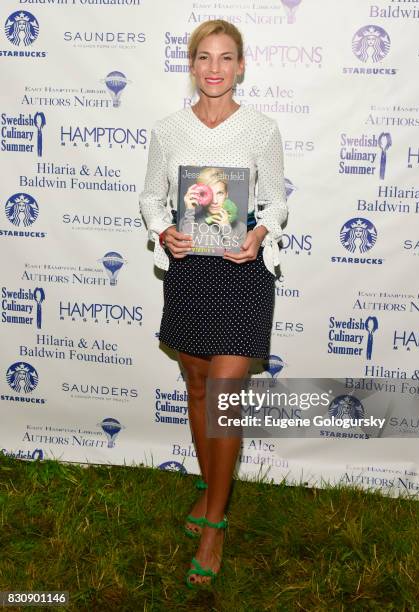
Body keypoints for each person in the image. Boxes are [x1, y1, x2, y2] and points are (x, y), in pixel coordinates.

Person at [139, 19, 287, 588]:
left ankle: (216, 523)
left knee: (224, 397)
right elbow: (153, 196)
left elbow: (274, 202)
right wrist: (163, 232)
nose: (215, 68)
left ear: (241, 66)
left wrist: (259, 234)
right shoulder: (168, 129)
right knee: (198, 387)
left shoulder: (260, 129)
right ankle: (210, 485)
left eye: (227, 58)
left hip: (243, 271)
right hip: (190, 270)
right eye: (205, 57)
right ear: (193, 65)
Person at [181, 167, 247, 254]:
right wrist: (190, 211)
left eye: (220, 193)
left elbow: (235, 257)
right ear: (200, 194)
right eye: (209, 194)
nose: (215, 201)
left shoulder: (241, 228)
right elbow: (185, 253)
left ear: (226, 194)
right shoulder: (186, 221)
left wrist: (226, 228)